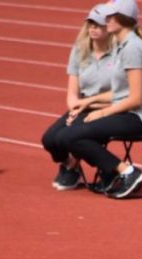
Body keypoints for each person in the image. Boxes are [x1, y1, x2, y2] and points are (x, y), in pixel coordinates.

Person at [43, 0, 142, 199]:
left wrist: (101, 112)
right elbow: (120, 92)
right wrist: (87, 103)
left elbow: (136, 99)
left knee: (71, 136)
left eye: (110, 16)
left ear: (122, 19)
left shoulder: (131, 48)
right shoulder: (125, 45)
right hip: (124, 112)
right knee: (62, 136)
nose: (106, 20)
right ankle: (109, 173)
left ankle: (127, 172)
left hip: (137, 118)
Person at [41, 4, 114, 191]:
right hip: (83, 105)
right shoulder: (79, 50)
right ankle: (69, 163)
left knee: (71, 135)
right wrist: (74, 110)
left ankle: (101, 169)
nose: (93, 28)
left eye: (98, 25)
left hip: (108, 107)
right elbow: (72, 92)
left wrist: (85, 107)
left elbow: (122, 93)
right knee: (50, 139)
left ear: (110, 28)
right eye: (90, 23)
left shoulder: (119, 54)